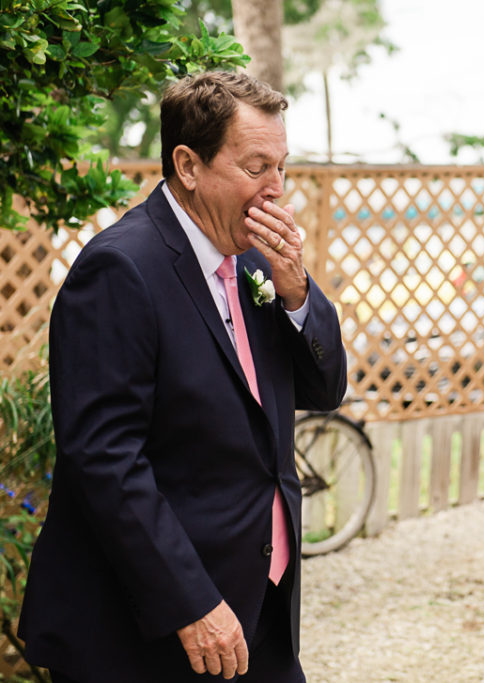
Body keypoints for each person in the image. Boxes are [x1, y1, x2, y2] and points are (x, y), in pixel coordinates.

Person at [18, 71, 346, 682]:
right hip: (150, 625)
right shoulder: (120, 269)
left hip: (260, 601)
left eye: (283, 167)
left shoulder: (256, 258)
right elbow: (104, 459)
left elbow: (324, 391)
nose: (277, 191)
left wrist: (297, 287)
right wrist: (191, 602)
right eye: (256, 168)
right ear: (188, 165)